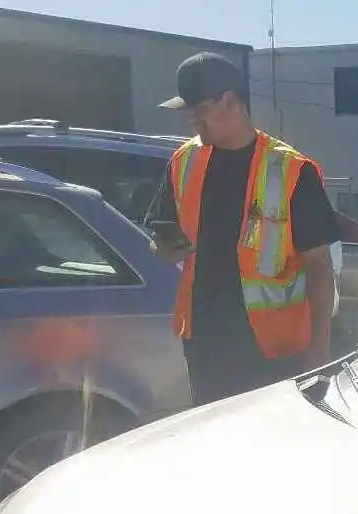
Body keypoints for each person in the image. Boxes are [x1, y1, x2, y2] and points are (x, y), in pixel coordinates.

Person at [145, 52, 341, 405]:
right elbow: (160, 238)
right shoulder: (185, 160)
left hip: (273, 354)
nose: (192, 120)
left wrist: (320, 353)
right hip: (205, 345)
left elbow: (319, 267)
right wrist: (162, 248)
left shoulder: (290, 170)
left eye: (198, 109)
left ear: (230, 101)